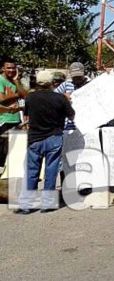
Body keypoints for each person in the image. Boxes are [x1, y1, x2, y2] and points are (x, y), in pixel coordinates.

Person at [15, 70, 75, 214]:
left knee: (32, 171)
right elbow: (71, 116)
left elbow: (28, 116)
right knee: (51, 171)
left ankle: (26, 205)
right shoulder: (60, 98)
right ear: (52, 82)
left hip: (35, 138)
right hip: (54, 138)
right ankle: (47, 204)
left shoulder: (30, 98)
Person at [0, 57, 27, 167]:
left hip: (16, 120)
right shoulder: (1, 80)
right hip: (4, 121)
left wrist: (16, 81)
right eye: (8, 68)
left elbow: (25, 96)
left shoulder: (15, 81)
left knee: (15, 154)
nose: (11, 70)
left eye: (13, 68)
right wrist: (16, 95)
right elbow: (1, 99)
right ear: (3, 68)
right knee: (3, 153)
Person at [54, 62, 90, 130]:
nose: (77, 79)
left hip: (87, 123)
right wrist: (63, 96)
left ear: (84, 73)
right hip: (69, 125)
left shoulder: (90, 84)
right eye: (74, 77)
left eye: (79, 77)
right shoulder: (67, 84)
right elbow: (53, 96)